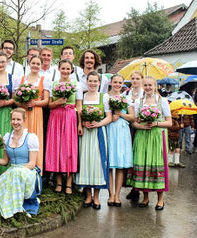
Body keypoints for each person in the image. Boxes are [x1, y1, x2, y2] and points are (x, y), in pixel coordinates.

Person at [127, 76, 172, 210]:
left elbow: (169, 122)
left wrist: (156, 123)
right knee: (144, 164)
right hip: (142, 136)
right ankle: (145, 198)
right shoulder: (139, 102)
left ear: (155, 86)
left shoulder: (162, 101)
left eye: (150, 85)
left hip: (157, 136)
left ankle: (160, 199)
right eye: (145, 85)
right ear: (142, 87)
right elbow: (134, 122)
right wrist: (140, 126)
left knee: (156, 165)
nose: (147, 88)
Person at [0, 108, 41, 218]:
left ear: (24, 120)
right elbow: (5, 162)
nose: (15, 122)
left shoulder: (31, 138)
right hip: (13, 170)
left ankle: (18, 208)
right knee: (3, 177)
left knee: (15, 174)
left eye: (18, 119)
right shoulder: (7, 138)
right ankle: (10, 207)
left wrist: (16, 170)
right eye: (13, 119)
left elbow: (32, 163)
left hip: (28, 171)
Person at [45, 59, 83, 193]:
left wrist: (79, 123)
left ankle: (69, 182)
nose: (65, 71)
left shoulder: (76, 84)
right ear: (59, 69)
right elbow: (49, 105)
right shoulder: (53, 83)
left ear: (72, 70)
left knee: (69, 148)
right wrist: (58, 102)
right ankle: (59, 181)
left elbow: (79, 105)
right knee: (56, 147)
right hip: (56, 116)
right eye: (63, 68)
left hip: (70, 116)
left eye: (68, 69)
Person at [76, 71, 112, 209]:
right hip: (85, 133)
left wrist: (98, 123)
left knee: (97, 162)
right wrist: (83, 123)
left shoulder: (104, 97)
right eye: (90, 81)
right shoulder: (82, 97)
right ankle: (88, 195)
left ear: (99, 83)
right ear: (87, 82)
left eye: (95, 81)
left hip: (98, 132)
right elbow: (78, 114)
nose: (92, 83)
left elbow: (108, 117)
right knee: (85, 161)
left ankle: (96, 197)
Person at [14, 55, 49, 174]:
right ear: (29, 63)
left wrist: (34, 103)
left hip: (36, 113)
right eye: (33, 63)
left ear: (41, 66)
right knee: (22, 137)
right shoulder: (21, 79)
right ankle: (20, 169)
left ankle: (36, 172)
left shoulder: (44, 79)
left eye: (38, 64)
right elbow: (15, 99)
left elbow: (46, 101)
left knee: (35, 139)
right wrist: (23, 103)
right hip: (23, 112)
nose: (35, 66)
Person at [105, 74, 135, 207]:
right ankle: (110, 194)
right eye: (115, 82)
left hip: (122, 131)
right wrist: (111, 117)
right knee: (110, 165)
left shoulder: (126, 98)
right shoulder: (105, 97)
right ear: (111, 82)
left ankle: (117, 195)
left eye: (120, 82)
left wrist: (120, 113)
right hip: (110, 129)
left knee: (120, 165)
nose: (117, 84)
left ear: (122, 84)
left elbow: (132, 117)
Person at [125, 71, 144, 201]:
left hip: (142, 126)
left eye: (137, 78)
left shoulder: (146, 93)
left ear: (142, 80)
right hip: (129, 126)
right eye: (133, 78)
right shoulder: (126, 94)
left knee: (139, 157)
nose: (135, 81)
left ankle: (137, 188)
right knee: (130, 156)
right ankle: (132, 185)